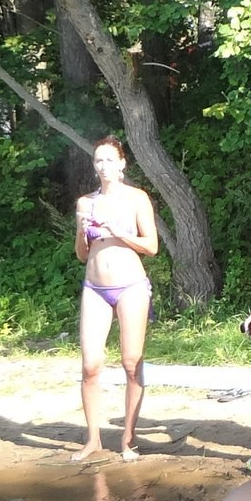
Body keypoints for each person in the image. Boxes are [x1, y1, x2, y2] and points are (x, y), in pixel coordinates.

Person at [73, 138, 157, 462]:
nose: (103, 166)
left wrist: (117, 231)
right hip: (94, 288)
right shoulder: (85, 203)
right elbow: (82, 255)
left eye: (109, 160)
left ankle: (128, 438)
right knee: (91, 365)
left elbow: (152, 246)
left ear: (122, 164)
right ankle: (93, 438)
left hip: (130, 285)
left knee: (131, 362)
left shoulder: (137, 199)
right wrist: (83, 232)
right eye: (98, 161)